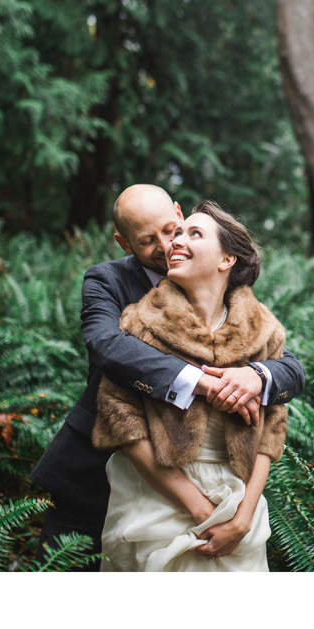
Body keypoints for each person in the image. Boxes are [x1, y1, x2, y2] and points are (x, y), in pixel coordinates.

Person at [30, 185, 304, 569]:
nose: (166, 245)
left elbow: (287, 366)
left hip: (210, 483)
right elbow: (106, 343)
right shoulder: (108, 282)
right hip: (96, 469)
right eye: (147, 241)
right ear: (124, 243)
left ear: (179, 212)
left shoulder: (221, 284)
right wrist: (200, 382)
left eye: (171, 230)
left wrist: (257, 376)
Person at [92, 200, 288, 570]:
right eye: (177, 234)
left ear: (226, 259)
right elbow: (119, 419)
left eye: (192, 233)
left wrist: (243, 518)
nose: (174, 243)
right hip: (156, 499)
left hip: (238, 500)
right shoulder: (138, 323)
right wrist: (200, 509)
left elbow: (273, 427)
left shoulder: (262, 328)